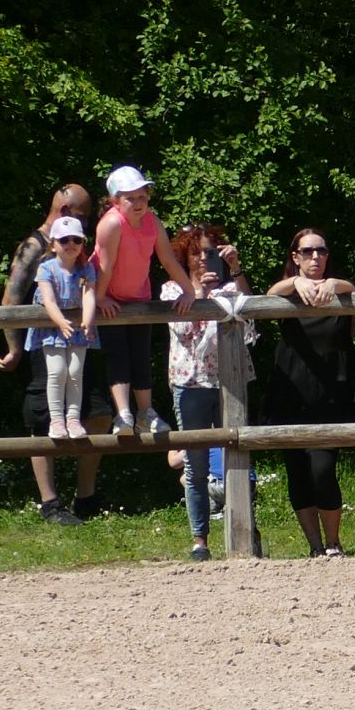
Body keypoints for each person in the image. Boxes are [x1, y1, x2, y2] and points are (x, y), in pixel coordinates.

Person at [0, 185, 102, 522]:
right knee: (43, 416)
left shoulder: (80, 248)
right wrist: (14, 347)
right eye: (82, 216)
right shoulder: (34, 247)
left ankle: (86, 495)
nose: (82, 229)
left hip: (82, 337)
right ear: (67, 209)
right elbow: (11, 297)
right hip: (45, 342)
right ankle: (50, 501)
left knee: (97, 410)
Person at [264, 228, 355, 556]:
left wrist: (331, 284)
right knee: (297, 472)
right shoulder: (287, 292)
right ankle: (315, 545)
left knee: (322, 469)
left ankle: (333, 541)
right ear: (295, 257)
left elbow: (354, 290)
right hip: (291, 391)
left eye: (320, 250)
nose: (315, 257)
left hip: (330, 394)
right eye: (307, 251)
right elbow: (268, 293)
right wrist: (294, 282)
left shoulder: (339, 291)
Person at [160, 229, 252, 560]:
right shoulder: (171, 289)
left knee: (237, 455)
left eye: (210, 252)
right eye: (196, 253)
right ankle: (200, 539)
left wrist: (236, 268)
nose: (203, 259)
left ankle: (245, 532)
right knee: (196, 465)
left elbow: (251, 317)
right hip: (190, 383)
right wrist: (197, 290)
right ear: (184, 259)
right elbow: (183, 329)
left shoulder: (230, 288)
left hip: (230, 382)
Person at [90, 165, 189, 442]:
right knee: (118, 355)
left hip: (139, 298)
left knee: (140, 355)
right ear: (115, 201)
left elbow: (167, 259)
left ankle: (146, 413)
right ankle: (123, 414)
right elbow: (105, 267)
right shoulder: (111, 224)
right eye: (129, 197)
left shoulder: (153, 222)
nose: (137, 202)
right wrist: (100, 297)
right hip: (109, 298)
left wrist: (189, 291)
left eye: (142, 196)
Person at [27, 217, 98, 442]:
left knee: (76, 372)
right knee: (57, 371)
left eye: (76, 239)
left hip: (77, 327)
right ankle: (57, 419)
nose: (70, 244)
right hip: (52, 327)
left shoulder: (86, 268)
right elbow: (48, 299)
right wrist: (60, 321)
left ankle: (73, 418)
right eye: (64, 239)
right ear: (54, 243)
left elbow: (89, 294)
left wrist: (87, 320)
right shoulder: (46, 268)